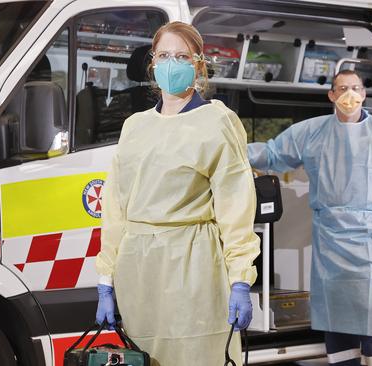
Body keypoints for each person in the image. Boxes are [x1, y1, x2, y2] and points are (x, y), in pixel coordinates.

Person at [94, 21, 260, 366]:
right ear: (152, 63)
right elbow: (116, 207)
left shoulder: (217, 122)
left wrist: (240, 280)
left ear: (199, 64)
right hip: (138, 272)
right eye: (165, 55)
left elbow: (235, 205)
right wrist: (106, 279)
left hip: (193, 266)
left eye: (182, 56)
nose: (172, 63)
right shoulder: (135, 126)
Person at [248, 70, 372, 366]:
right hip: (330, 242)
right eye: (342, 89)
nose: (349, 95)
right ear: (331, 95)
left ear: (364, 94)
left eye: (355, 88)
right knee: (336, 322)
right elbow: (273, 153)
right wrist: (229, 149)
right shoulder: (313, 132)